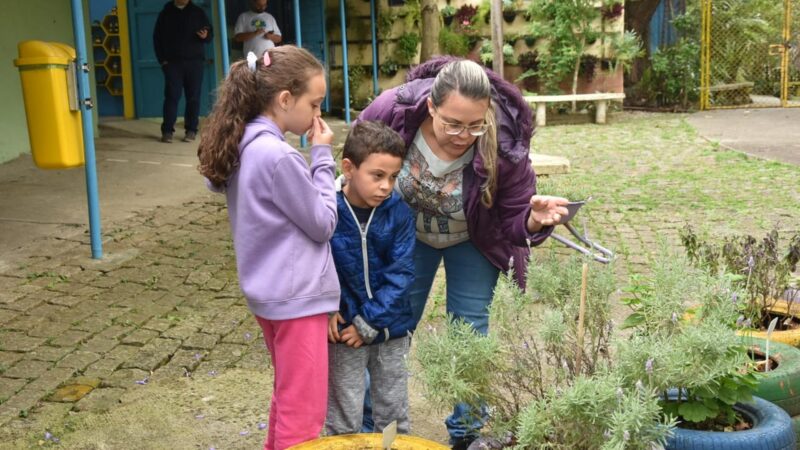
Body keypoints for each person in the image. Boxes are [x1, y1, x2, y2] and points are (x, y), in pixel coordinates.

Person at [357, 57, 568, 449]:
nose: (463, 134)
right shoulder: (393, 111)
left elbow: (515, 221)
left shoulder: (504, 143)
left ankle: (467, 434)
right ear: (431, 106)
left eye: (475, 124)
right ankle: (372, 425)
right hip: (408, 236)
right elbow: (357, 160)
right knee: (390, 329)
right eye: (452, 123)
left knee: (470, 337)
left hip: (475, 238)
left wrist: (536, 221)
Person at [197, 46, 337, 450]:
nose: (317, 113)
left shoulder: (241, 145)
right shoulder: (279, 157)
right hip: (298, 299)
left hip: (270, 297)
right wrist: (322, 158)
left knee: (287, 398)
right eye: (314, 103)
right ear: (285, 99)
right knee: (304, 413)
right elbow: (323, 223)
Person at [325, 121, 416, 436]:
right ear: (349, 168)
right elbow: (311, 262)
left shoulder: (399, 213)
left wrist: (369, 323)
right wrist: (324, 306)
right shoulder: (326, 209)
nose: (386, 186)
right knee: (343, 413)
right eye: (377, 176)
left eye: (393, 177)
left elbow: (401, 274)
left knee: (393, 413)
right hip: (342, 333)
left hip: (391, 330)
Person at [153, 0, 213, 143]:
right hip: (172, 63)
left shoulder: (198, 12)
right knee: (171, 96)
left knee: (193, 97)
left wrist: (206, 35)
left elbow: (210, 34)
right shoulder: (165, 13)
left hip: (195, 62)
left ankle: (191, 130)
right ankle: (167, 131)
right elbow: (157, 38)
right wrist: (163, 60)